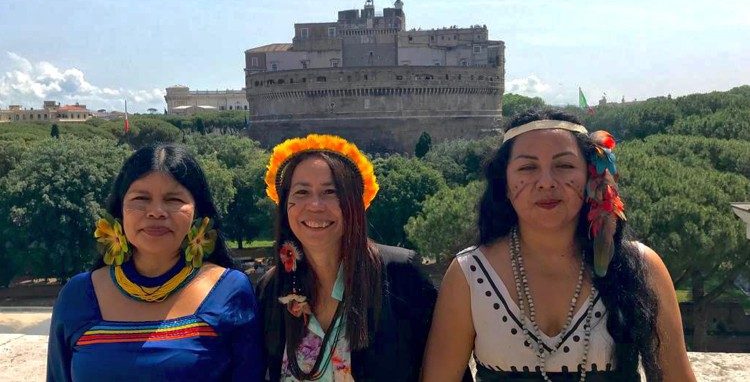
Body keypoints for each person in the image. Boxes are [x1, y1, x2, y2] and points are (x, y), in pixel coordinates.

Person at [422, 109, 696, 381]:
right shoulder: (469, 274)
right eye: (528, 167)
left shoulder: (642, 266)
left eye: (564, 166)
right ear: (504, 183)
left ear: (591, 177)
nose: (546, 182)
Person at [47, 144, 263, 382]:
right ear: (120, 209)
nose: (156, 212)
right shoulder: (78, 295)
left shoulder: (228, 290)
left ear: (198, 212)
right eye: (141, 198)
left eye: (173, 199)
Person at [256, 134, 437, 381]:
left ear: (354, 203)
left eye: (331, 191)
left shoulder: (399, 275)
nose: (315, 205)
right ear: (285, 204)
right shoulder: (272, 290)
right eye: (301, 192)